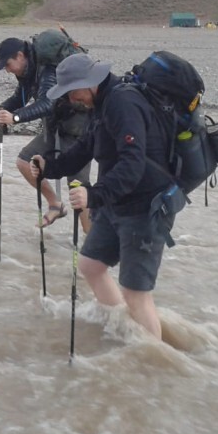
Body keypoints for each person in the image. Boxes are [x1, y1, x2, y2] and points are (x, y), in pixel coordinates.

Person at [29, 54, 179, 342]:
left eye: (73, 91)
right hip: (116, 204)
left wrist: (93, 195)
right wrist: (50, 166)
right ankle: (123, 330)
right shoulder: (101, 104)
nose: (72, 99)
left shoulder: (123, 103)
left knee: (136, 293)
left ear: (91, 83)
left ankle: (153, 363)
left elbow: (132, 164)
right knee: (91, 266)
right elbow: (86, 148)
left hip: (145, 208)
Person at [0, 35, 91, 230]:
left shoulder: (47, 70)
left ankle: (91, 242)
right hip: (55, 128)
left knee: (78, 187)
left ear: (20, 55)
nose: (7, 70)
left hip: (78, 129)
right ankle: (56, 204)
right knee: (25, 162)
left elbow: (47, 103)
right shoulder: (29, 72)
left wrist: (16, 118)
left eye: (8, 64)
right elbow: (17, 101)